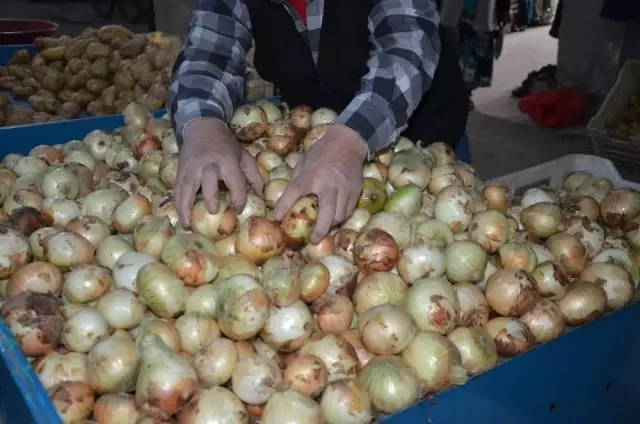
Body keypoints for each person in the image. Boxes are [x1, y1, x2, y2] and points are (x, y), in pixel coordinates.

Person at [168, 0, 469, 245]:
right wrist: (203, 127)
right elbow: (207, 56)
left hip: (421, 136)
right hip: (314, 137)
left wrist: (348, 141)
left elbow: (406, 49)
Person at [441, 0, 510, 110]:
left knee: (476, 62)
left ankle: (464, 94)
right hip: (456, 17)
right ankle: (456, 95)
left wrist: (504, 14)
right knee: (454, 59)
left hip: (483, 18)